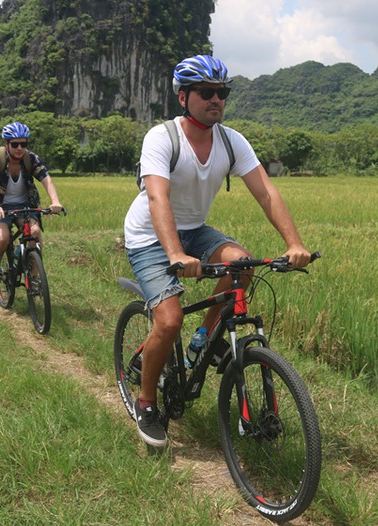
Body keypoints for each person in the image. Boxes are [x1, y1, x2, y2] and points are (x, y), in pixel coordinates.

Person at [123, 55, 311, 447]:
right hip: (149, 236)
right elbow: (158, 199)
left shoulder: (231, 140)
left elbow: (266, 191)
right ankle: (146, 401)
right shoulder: (162, 138)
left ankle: (202, 341)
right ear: (183, 97)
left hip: (195, 231)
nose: (216, 100)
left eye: (222, 93)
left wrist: (294, 244)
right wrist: (174, 254)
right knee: (169, 319)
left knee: (241, 265)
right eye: (207, 92)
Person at [0, 122, 63, 284]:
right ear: (6, 143)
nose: (19, 148)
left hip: (25, 205)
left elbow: (46, 179)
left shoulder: (30, 158)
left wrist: (55, 201)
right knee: (3, 238)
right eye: (15, 144)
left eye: (23, 144)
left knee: (35, 233)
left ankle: (33, 277)